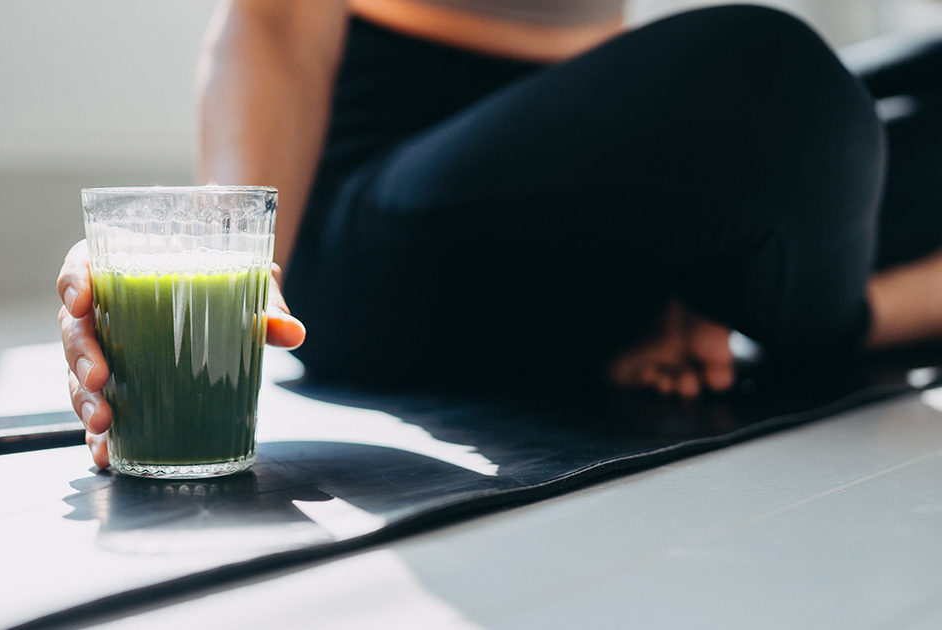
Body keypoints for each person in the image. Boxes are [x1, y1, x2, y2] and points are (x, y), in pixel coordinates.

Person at [57, 0, 942, 468]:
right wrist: (232, 256)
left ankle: (719, 294)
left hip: (590, 170)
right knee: (777, 80)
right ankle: (826, 316)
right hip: (384, 212)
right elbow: (278, 22)